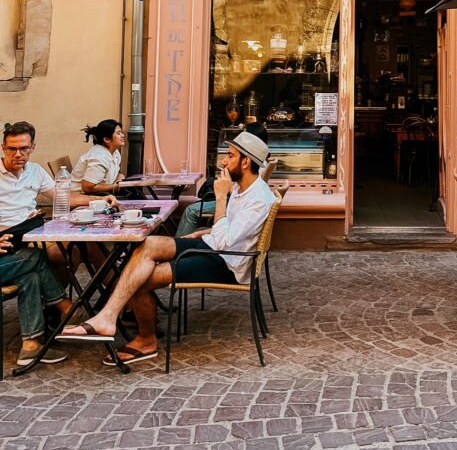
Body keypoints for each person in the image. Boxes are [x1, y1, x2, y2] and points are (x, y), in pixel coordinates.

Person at [60, 131, 277, 364]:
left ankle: (145, 340)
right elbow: (230, 229)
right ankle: (107, 317)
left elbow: (227, 242)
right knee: (147, 244)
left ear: (246, 162)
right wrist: (205, 231)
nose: (223, 161)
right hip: (212, 245)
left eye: (231, 156)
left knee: (140, 277)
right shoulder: (241, 186)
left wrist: (221, 197)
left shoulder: (258, 199)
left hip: (228, 262)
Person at [0, 121, 111, 365]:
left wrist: (97, 200)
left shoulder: (35, 171)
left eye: (24, 148)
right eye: (11, 149)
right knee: (39, 257)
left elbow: (63, 198)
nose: (17, 154)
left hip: (16, 246)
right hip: (7, 248)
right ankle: (66, 306)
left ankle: (31, 346)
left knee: (30, 275)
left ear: (32, 147)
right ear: (3, 147)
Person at [70, 119, 125, 196]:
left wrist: (119, 178)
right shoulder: (98, 157)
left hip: (100, 195)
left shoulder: (115, 153)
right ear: (106, 139)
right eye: (118, 133)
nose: (123, 135)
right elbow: (87, 187)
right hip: (81, 197)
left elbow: (114, 173)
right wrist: (116, 186)